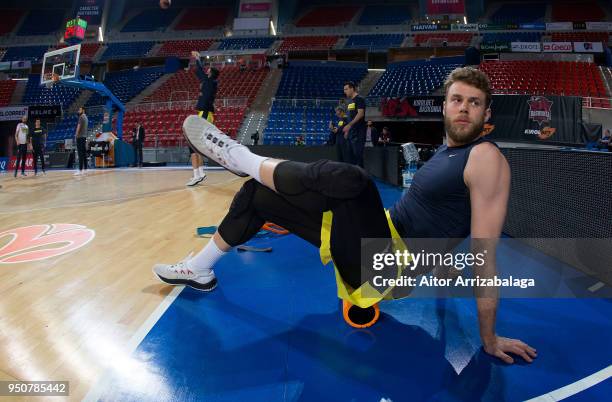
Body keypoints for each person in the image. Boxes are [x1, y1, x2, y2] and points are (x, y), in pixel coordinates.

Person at [153, 67, 537, 364]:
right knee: (258, 194)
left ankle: (241, 158)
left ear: (487, 112)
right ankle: (200, 270)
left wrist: (489, 338)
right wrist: (443, 264)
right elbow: (447, 218)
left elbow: (485, 255)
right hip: (371, 244)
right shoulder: (446, 153)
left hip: (386, 267)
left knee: (353, 179)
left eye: (474, 102)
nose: (464, 108)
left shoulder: (486, 158)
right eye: (457, 100)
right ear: (445, 106)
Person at [186, 51, 219, 187]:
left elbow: (199, 71)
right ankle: (199, 173)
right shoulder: (211, 83)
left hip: (205, 114)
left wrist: (198, 59)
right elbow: (200, 73)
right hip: (206, 114)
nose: (206, 72)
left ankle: (197, 174)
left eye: (208, 71)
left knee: (192, 145)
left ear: (210, 74)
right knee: (195, 146)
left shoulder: (209, 81)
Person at [342, 81, 367, 167]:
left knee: (358, 157)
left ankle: (361, 177)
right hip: (351, 134)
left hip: (359, 133)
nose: (344, 91)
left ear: (352, 88)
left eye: (346, 89)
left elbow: (360, 114)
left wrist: (349, 125)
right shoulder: (349, 102)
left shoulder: (360, 99)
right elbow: (349, 117)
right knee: (350, 158)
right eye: (344, 89)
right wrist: (347, 131)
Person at [74, 107, 88, 176]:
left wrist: (76, 135)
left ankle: (80, 170)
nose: (78, 111)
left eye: (79, 110)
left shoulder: (81, 117)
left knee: (80, 154)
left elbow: (78, 127)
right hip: (84, 137)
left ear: (83, 110)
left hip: (80, 137)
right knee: (84, 153)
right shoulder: (86, 118)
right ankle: (85, 169)